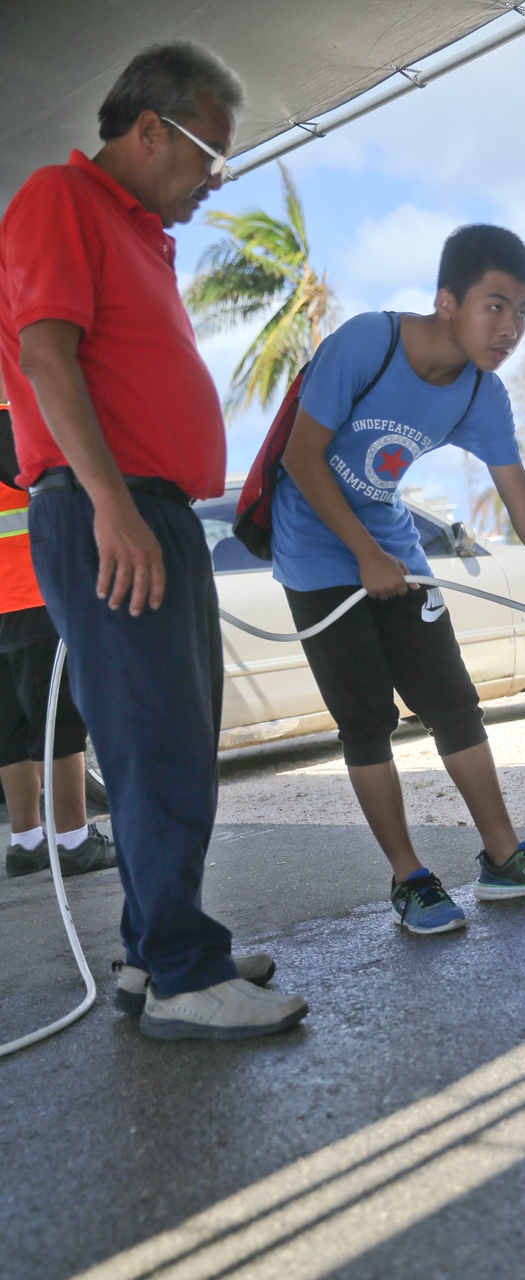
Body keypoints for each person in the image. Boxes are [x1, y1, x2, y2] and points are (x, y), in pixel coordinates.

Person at [0, 43, 306, 1039]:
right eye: (208, 154)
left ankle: (148, 953)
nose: (215, 180)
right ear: (149, 131)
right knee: (154, 742)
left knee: (173, 738)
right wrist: (110, 506)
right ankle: (182, 972)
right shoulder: (60, 196)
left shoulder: (142, 233)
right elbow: (46, 354)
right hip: (110, 508)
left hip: (148, 506)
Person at [272, 224, 525, 934]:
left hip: (393, 549)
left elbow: (523, 506)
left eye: (524, 310)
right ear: (446, 301)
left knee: (454, 703)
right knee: (368, 721)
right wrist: (362, 555)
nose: (511, 327)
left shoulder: (479, 395)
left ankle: (504, 860)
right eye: (495, 306)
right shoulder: (367, 345)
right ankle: (410, 879)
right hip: (315, 552)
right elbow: (300, 458)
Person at [0, 392, 116, 878]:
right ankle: (71, 840)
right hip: (31, 593)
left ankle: (25, 842)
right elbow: (46, 484)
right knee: (58, 721)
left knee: (9, 728)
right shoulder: (9, 422)